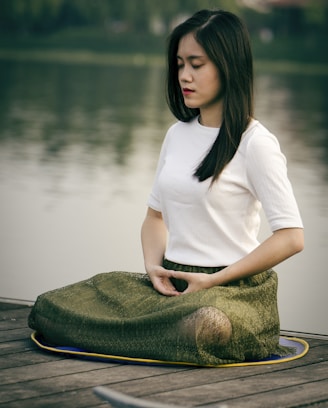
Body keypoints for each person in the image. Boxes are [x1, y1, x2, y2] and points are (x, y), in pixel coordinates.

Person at [29, 9, 304, 366]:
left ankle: (148, 333)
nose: (184, 76)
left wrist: (215, 280)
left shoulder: (256, 143)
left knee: (205, 325)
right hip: (171, 286)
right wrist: (153, 267)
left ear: (228, 65)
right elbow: (154, 218)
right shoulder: (177, 135)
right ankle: (153, 332)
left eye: (196, 64)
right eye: (179, 65)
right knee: (52, 307)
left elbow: (292, 237)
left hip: (230, 294)